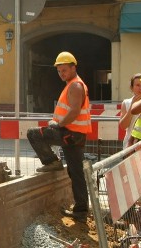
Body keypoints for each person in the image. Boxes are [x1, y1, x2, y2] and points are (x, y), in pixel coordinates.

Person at [26, 51, 92, 222]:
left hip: (69, 133)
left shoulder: (75, 86)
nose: (61, 74)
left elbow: (75, 110)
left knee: (33, 134)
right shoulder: (74, 84)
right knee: (76, 172)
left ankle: (52, 162)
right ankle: (81, 210)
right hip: (75, 135)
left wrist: (58, 124)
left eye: (64, 70)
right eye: (59, 71)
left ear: (73, 68)